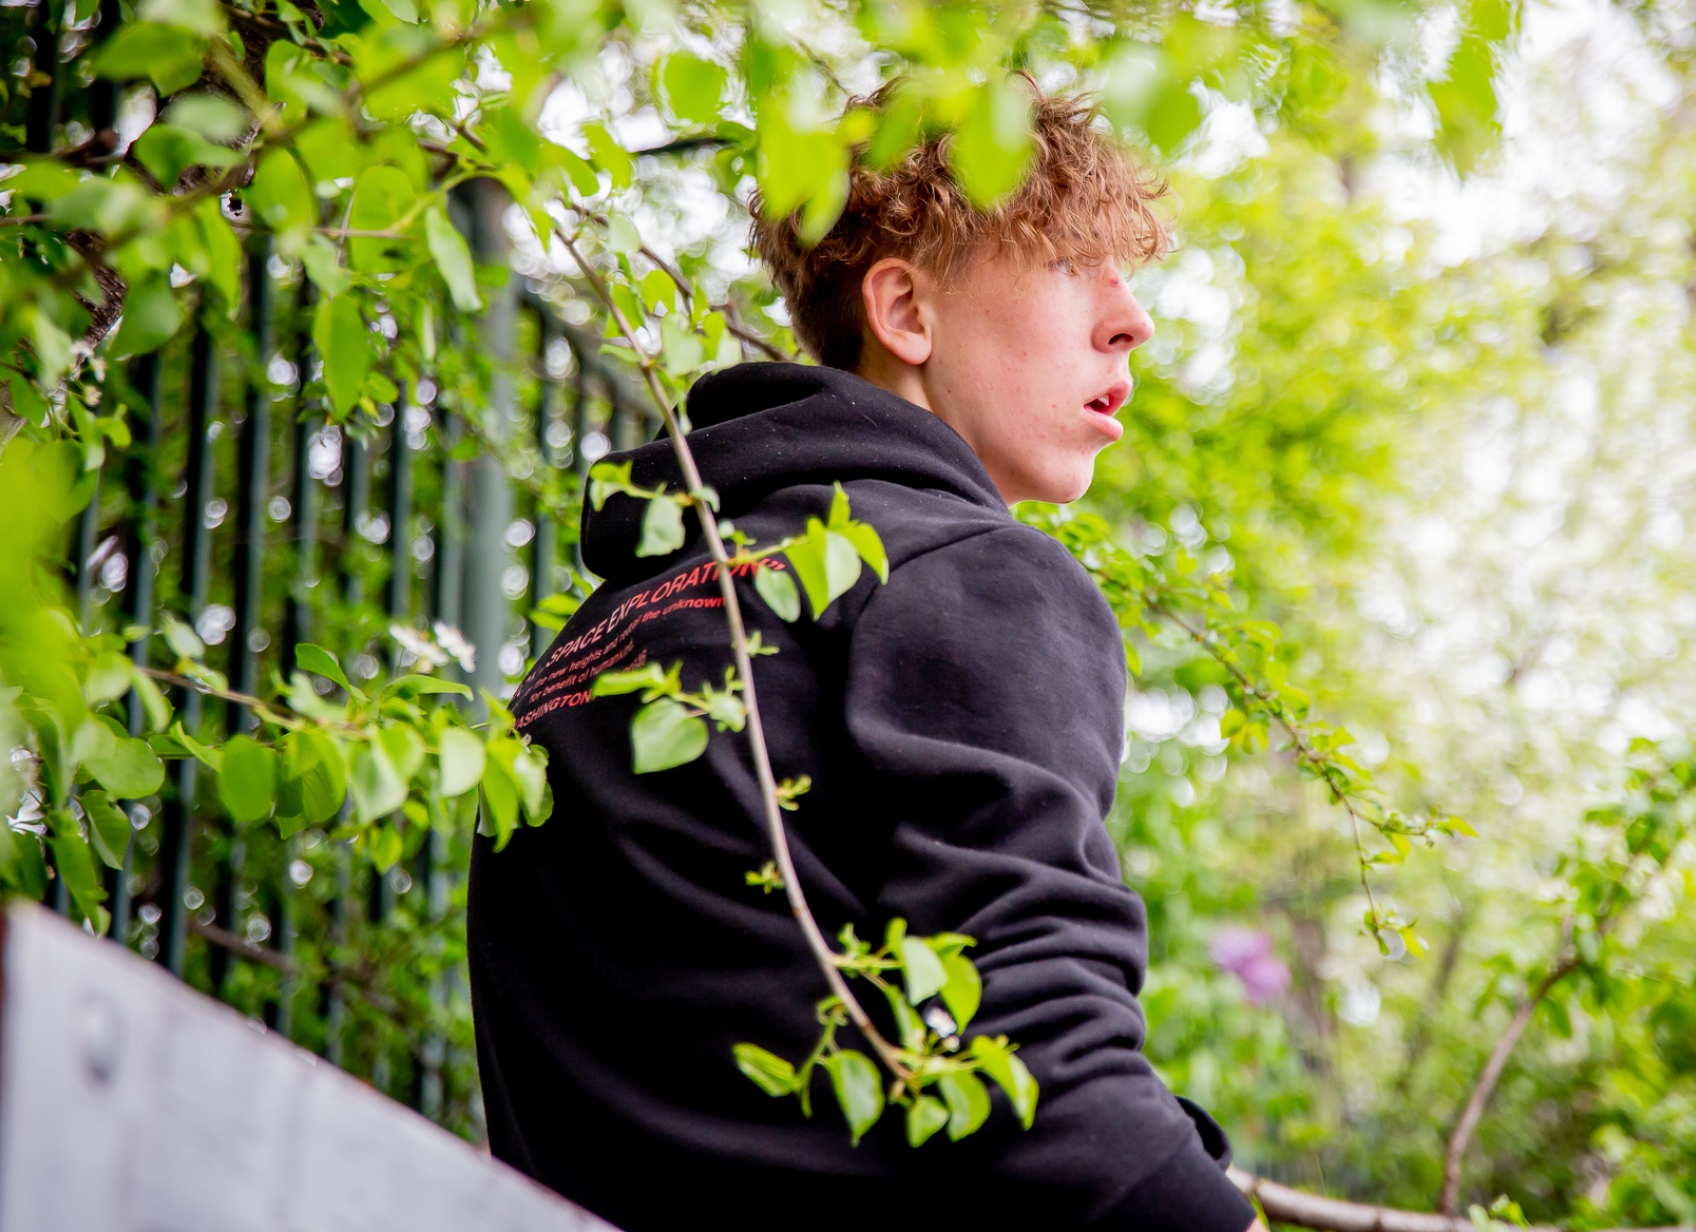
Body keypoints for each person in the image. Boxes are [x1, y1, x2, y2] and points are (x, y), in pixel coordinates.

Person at [468, 81, 1263, 1232]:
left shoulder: (598, 637)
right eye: (1069, 265)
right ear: (905, 312)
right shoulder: (966, 572)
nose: (1129, 320)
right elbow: (1036, 1068)